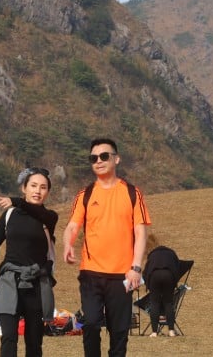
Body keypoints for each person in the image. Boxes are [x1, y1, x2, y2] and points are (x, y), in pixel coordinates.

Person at [63, 138, 151, 357]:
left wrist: (136, 268)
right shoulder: (85, 195)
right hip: (91, 273)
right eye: (93, 158)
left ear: (116, 159)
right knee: (91, 323)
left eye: (104, 156)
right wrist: (68, 244)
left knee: (119, 331)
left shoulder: (132, 193)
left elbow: (140, 232)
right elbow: (72, 225)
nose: (98, 161)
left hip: (122, 275)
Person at [0, 166, 58, 357]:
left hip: (36, 282)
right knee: (8, 337)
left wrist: (15, 201)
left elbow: (35, 211)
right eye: (33, 186)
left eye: (43, 187)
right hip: (9, 281)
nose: (37, 191)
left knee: (33, 341)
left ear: (47, 192)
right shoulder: (9, 215)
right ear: (24, 188)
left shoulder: (49, 218)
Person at [142, 244, 188, 337]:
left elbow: (146, 271)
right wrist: (174, 282)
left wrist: (149, 286)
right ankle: (171, 331)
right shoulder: (172, 254)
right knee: (168, 303)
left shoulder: (152, 254)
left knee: (155, 303)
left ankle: (154, 332)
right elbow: (177, 268)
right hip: (168, 275)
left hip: (154, 276)